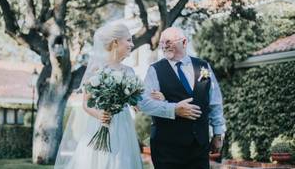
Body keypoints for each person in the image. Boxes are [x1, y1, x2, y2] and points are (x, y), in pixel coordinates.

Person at [54, 23, 179, 169]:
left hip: (124, 128)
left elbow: (138, 104)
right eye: (128, 40)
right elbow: (86, 104)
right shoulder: (96, 69)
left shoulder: (130, 71)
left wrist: (157, 99)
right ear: (115, 42)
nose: (132, 44)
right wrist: (99, 114)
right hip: (100, 125)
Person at [141, 27, 226, 169]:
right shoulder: (155, 70)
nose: (164, 46)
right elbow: (144, 103)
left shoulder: (203, 67)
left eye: (168, 42)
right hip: (167, 148)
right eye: (162, 43)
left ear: (184, 42)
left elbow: (214, 102)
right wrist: (173, 109)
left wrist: (218, 133)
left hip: (199, 147)